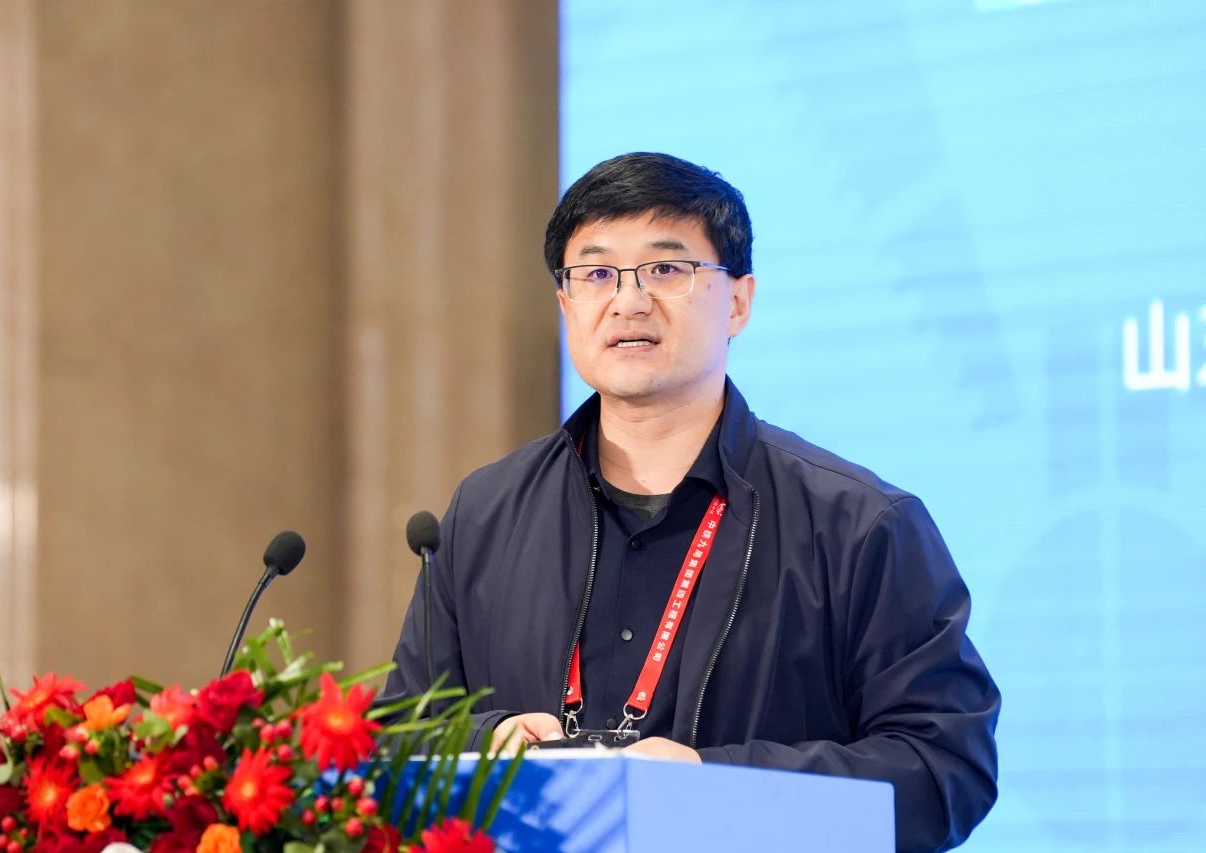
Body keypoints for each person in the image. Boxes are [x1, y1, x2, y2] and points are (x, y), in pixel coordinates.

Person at [384, 152, 999, 852]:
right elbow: (398, 731)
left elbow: (944, 767)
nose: (629, 301)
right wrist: (486, 742)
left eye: (666, 269)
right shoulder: (487, 512)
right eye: (596, 274)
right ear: (565, 304)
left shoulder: (859, 524)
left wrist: (716, 785)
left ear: (738, 301)